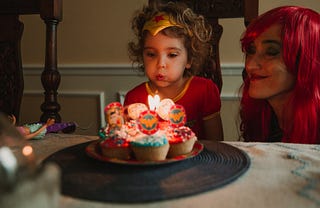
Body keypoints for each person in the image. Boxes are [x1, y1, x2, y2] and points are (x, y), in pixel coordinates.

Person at [124, 2, 223, 141]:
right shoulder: (134, 99)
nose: (160, 64)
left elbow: (216, 144)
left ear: (189, 58)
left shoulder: (204, 91)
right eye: (151, 54)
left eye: (172, 55)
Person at [239, 6, 320, 144]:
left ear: (305, 62)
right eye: (251, 50)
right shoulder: (262, 117)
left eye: (271, 52)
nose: (250, 65)